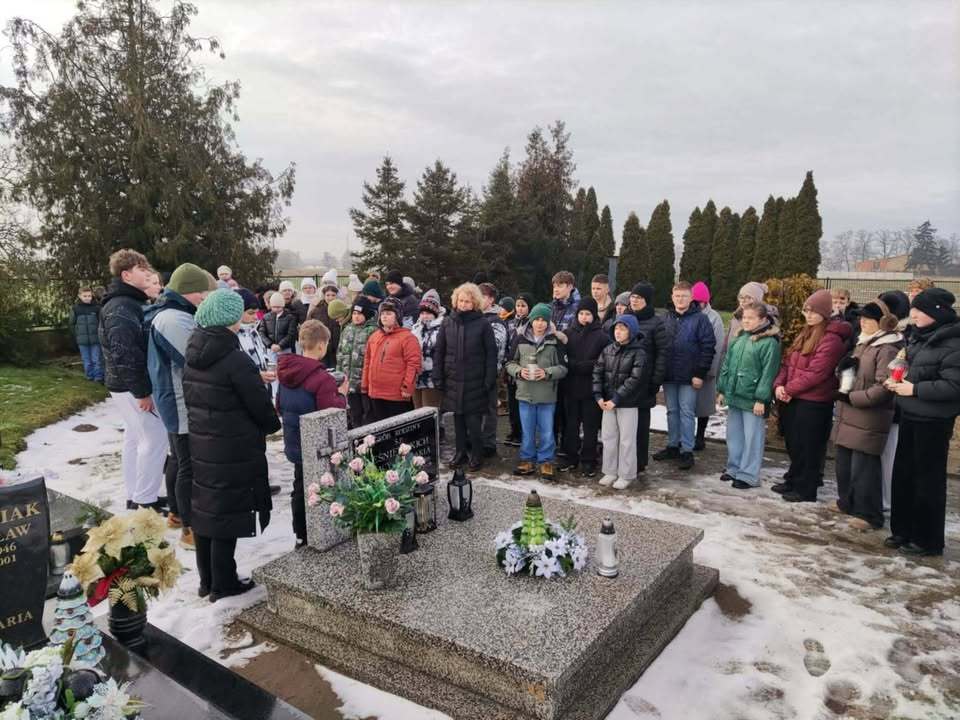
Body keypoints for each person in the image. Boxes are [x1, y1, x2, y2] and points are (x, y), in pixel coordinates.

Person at [183, 289, 281, 601]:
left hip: (203, 443)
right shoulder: (233, 359)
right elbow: (258, 404)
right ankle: (223, 583)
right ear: (229, 319)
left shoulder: (194, 352)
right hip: (233, 447)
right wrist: (272, 424)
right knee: (226, 512)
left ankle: (207, 580)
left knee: (207, 509)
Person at [145, 262, 217, 549]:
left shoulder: (176, 313)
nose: (204, 298)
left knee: (178, 458)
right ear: (188, 291)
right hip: (178, 401)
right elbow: (196, 358)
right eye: (202, 293)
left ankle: (177, 513)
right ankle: (190, 527)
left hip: (175, 397)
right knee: (188, 464)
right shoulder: (173, 319)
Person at [884, 288, 960, 556]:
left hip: (933, 421)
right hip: (910, 414)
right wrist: (896, 380)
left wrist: (914, 389)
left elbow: (953, 386)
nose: (913, 314)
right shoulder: (918, 337)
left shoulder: (953, 342)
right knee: (904, 475)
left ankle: (927, 539)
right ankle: (902, 530)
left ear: (936, 312)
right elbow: (911, 369)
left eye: (919, 310)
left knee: (927, 480)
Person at [100, 249, 168, 510]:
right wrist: (142, 392)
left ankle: (134, 494)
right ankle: (145, 500)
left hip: (123, 384)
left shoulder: (127, 302)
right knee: (154, 438)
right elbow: (125, 352)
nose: (148, 273)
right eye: (142, 269)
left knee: (135, 438)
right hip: (129, 386)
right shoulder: (121, 306)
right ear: (126, 275)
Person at [772, 289, 851, 503]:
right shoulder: (805, 333)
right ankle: (794, 479)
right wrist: (779, 385)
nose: (808, 315)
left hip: (814, 402)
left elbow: (817, 373)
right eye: (806, 310)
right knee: (794, 443)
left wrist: (789, 389)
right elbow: (787, 363)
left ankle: (806, 488)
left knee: (809, 446)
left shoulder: (831, 340)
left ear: (824, 313)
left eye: (813, 311)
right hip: (793, 398)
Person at [831, 299, 903, 529]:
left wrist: (854, 398)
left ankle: (869, 514)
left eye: (868, 319)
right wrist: (843, 371)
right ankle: (847, 502)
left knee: (864, 468)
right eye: (861, 318)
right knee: (845, 463)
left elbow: (885, 387)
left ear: (882, 322)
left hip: (868, 417)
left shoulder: (887, 348)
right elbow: (855, 373)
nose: (862, 322)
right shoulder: (864, 343)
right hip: (849, 414)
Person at [277, 320, 348, 548]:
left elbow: (279, 405)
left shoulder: (285, 371)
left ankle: (300, 532)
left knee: (299, 485)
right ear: (321, 345)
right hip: (315, 445)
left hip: (293, 439)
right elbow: (329, 413)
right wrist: (342, 395)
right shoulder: (321, 378)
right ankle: (321, 530)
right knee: (319, 486)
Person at [716, 302, 781, 490]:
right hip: (735, 395)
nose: (746, 321)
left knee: (752, 437)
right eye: (744, 317)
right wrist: (722, 389)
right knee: (734, 435)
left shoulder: (769, 343)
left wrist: (762, 399)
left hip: (753, 400)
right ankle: (734, 468)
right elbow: (727, 364)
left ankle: (748, 474)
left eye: (751, 318)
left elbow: (769, 373)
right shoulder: (739, 338)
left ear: (763, 319)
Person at [434, 283, 497, 471]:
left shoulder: (483, 324)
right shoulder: (447, 322)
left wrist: (489, 379)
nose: (463, 304)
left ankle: (476, 454)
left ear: (474, 303)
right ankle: (460, 452)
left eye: (467, 301)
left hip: (475, 380)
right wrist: (438, 375)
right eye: (461, 300)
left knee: (473, 421)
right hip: (453, 379)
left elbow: (491, 354)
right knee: (458, 420)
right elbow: (440, 351)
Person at [654, 281, 715, 471]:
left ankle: (687, 450)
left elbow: (708, 347)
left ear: (691, 298)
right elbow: (658, 345)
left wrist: (700, 373)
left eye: (684, 296)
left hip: (690, 376)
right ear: (672, 297)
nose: (680, 300)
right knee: (672, 411)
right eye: (677, 296)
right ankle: (673, 445)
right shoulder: (665, 318)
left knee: (687, 412)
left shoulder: (700, 320)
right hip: (669, 374)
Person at [506, 303, 568, 480]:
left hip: (547, 396)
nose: (540, 323)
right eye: (537, 319)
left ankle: (546, 461)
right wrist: (519, 371)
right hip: (525, 394)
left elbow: (563, 368)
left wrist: (547, 373)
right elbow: (509, 363)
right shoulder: (519, 339)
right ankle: (527, 459)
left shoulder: (555, 341)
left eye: (543, 320)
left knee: (547, 431)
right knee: (527, 430)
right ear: (531, 320)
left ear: (548, 322)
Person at [593, 314, 647, 489]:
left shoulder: (639, 352)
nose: (618, 332)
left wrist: (617, 398)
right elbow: (597, 372)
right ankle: (610, 471)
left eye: (623, 329)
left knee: (626, 440)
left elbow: (635, 379)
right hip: (607, 403)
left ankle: (626, 474)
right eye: (616, 328)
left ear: (631, 331)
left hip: (627, 403)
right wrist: (598, 396)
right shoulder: (608, 350)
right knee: (608, 437)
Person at [560, 297, 609, 476]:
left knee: (590, 427)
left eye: (588, 314)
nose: (584, 317)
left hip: (591, 389)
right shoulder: (568, 333)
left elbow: (603, 361)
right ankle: (570, 457)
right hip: (571, 387)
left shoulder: (602, 336)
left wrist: (584, 366)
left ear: (594, 315)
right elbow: (562, 357)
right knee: (571, 425)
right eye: (581, 313)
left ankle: (589, 460)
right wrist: (573, 365)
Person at [876, 290, 911, 512]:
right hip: (878, 405)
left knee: (889, 456)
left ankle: (886, 499)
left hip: (894, 408)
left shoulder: (901, 338)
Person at [629, 283, 669, 472]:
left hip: (645, 381)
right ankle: (625, 458)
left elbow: (662, 353)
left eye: (639, 298)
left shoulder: (656, 323)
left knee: (641, 423)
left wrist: (656, 380)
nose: (634, 301)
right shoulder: (626, 318)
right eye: (633, 297)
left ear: (647, 301)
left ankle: (639, 460)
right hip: (625, 379)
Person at [361, 297, 421, 421]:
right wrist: (365, 384)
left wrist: (407, 387)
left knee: (398, 428)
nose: (384, 316)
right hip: (375, 393)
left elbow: (414, 364)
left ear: (397, 316)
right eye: (382, 313)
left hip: (396, 395)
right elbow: (367, 361)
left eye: (389, 313)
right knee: (380, 428)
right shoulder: (374, 336)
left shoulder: (408, 338)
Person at [690, 282, 726, 451]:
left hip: (706, 370)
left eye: (699, 302)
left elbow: (717, 346)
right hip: (689, 369)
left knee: (703, 406)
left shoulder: (714, 318)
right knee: (688, 405)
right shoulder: (689, 315)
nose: (697, 305)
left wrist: (710, 371)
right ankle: (687, 435)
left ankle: (700, 436)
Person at [337, 297, 378, 428]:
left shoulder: (373, 330)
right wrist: (340, 375)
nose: (356, 317)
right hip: (349, 382)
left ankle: (367, 436)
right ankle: (356, 435)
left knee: (368, 412)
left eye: (360, 314)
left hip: (364, 382)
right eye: (354, 313)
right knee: (354, 412)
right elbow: (340, 353)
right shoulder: (347, 329)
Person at [479, 283, 508, 457]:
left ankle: (488, 443)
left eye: (482, 296)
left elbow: (495, 348)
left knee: (489, 409)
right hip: (472, 372)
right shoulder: (474, 317)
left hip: (490, 372)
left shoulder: (496, 321)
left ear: (491, 299)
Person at [505, 293, 534, 447]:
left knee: (522, 402)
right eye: (518, 305)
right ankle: (514, 429)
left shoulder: (532, 323)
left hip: (524, 365)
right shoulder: (510, 323)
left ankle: (523, 432)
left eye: (523, 306)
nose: (520, 309)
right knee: (512, 402)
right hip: (511, 365)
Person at [235, 289, 276, 389]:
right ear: (237, 312)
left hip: (263, 387)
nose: (256, 317)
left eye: (256, 313)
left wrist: (271, 368)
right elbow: (235, 369)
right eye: (251, 313)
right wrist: (256, 377)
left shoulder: (253, 331)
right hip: (247, 389)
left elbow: (263, 354)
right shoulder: (232, 336)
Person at [411, 293, 444, 410]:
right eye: (422, 313)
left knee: (429, 412)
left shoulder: (441, 329)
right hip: (416, 379)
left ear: (435, 314)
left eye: (428, 313)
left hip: (432, 380)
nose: (425, 316)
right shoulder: (415, 328)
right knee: (417, 413)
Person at [70, 287, 104, 383]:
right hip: (82, 341)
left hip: (95, 339)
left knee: (96, 359)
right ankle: (89, 376)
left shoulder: (97, 308)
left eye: (89, 296)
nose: (87, 298)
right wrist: (77, 335)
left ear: (92, 296)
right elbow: (72, 324)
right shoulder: (75, 309)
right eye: (85, 296)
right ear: (79, 296)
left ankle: (98, 377)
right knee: (86, 360)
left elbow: (101, 322)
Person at [259, 292, 298, 357]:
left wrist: (280, 345)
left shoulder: (290, 317)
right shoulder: (266, 317)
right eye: (274, 307)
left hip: (286, 349)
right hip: (271, 349)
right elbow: (261, 333)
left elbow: (291, 334)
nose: (276, 309)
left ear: (283, 306)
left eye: (279, 307)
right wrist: (270, 344)